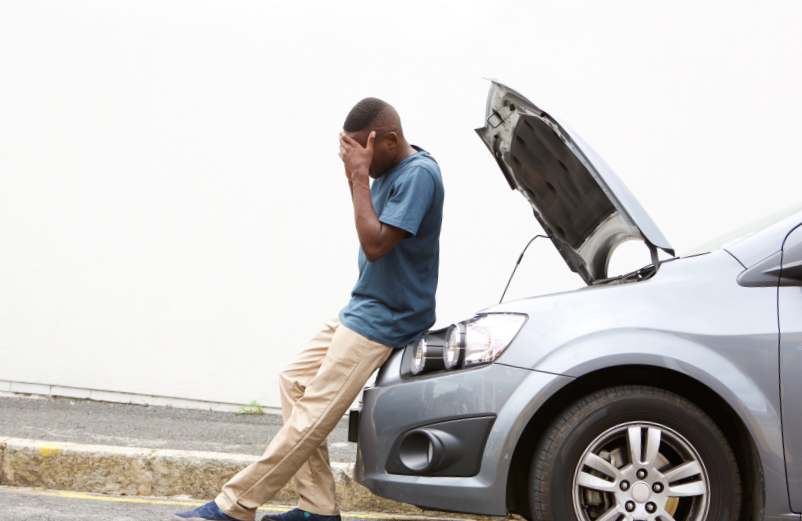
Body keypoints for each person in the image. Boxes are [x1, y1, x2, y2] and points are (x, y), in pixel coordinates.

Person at [173, 97, 445, 521]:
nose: (358, 161)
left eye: (363, 150)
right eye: (350, 151)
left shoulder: (420, 176)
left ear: (389, 139)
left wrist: (356, 177)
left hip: (388, 317)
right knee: (294, 382)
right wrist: (359, 171)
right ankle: (318, 509)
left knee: (312, 411)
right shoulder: (390, 167)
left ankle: (235, 505)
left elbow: (375, 245)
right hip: (364, 305)